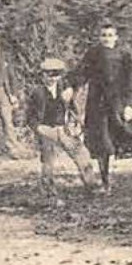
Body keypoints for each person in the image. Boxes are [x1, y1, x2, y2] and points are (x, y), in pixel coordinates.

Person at [68, 20, 132, 189]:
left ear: (116, 37)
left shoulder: (124, 54)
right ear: (99, 37)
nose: (107, 38)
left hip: (120, 103)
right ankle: (106, 182)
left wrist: (130, 105)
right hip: (99, 104)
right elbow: (81, 73)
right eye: (103, 35)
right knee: (102, 142)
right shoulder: (93, 54)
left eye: (110, 35)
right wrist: (70, 86)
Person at [26, 57, 98, 196]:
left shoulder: (64, 90)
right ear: (43, 75)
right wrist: (38, 128)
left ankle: (91, 184)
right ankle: (48, 187)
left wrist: (76, 122)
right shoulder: (37, 92)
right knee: (48, 157)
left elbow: (80, 78)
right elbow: (30, 116)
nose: (52, 78)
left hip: (63, 128)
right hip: (47, 128)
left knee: (81, 153)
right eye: (49, 74)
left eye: (56, 74)